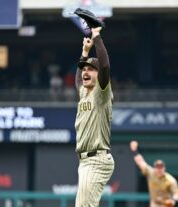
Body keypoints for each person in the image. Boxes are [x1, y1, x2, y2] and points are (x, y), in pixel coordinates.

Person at [74, 26, 114, 207]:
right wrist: (84, 53)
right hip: (85, 161)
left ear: (99, 76)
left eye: (90, 69)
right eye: (84, 69)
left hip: (96, 159)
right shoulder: (84, 92)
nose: (85, 72)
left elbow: (104, 65)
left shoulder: (101, 93)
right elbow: (77, 81)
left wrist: (97, 36)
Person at [130, 140, 178, 207]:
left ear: (164, 168)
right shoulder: (151, 172)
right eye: (157, 167)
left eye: (161, 167)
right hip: (154, 203)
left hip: (165, 204)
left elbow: (176, 193)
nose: (159, 169)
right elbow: (141, 162)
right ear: (154, 168)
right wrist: (134, 151)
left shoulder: (170, 180)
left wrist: (173, 200)